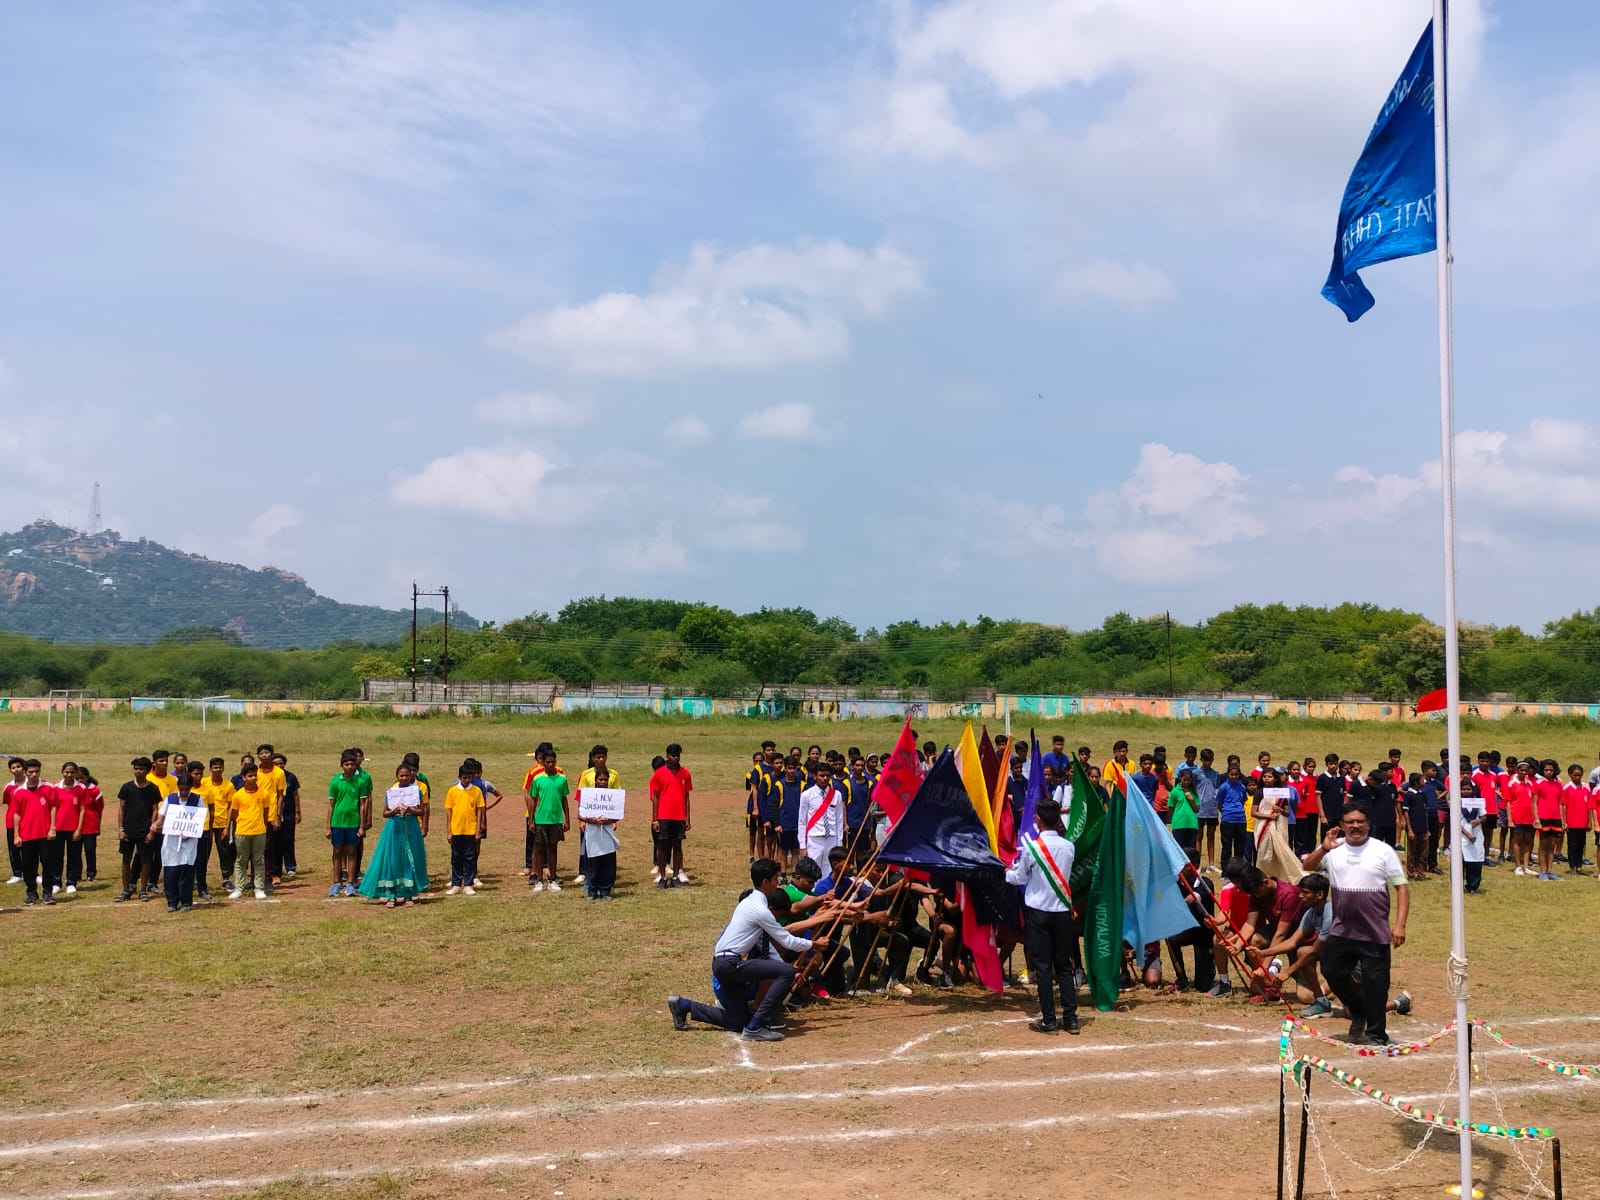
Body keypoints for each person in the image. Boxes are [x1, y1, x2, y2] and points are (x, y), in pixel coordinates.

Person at [666, 858, 830, 1043]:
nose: (778, 884)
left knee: (737, 1021)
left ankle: (683, 1005)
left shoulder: (748, 902)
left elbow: (765, 944)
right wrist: (814, 945)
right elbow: (786, 940)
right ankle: (756, 1026)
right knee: (786, 972)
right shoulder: (760, 909)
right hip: (730, 963)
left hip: (722, 963)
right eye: (776, 880)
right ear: (765, 882)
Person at [1302, 804, 1409, 1047]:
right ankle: (1359, 1011)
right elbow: (1307, 866)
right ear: (1342, 825)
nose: (1355, 826)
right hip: (1342, 930)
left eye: (1360, 821)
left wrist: (1399, 925)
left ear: (1368, 824)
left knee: (1376, 984)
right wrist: (1322, 848)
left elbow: (1401, 887)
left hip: (1374, 932)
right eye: (1349, 822)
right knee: (1331, 970)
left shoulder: (1383, 851)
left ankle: (1376, 1035)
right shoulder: (1333, 850)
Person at [1005, 798, 1080, 1035]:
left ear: (1038, 819)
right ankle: (1070, 1019)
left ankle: (1049, 1019)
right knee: (1065, 967)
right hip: (1061, 914)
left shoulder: (1031, 849)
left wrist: (1005, 872)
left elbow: (1020, 879)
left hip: (1039, 914)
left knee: (1043, 967)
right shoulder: (1069, 847)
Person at [358, 762, 429, 907]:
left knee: (410, 859)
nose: (404, 778)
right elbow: (385, 813)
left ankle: (408, 894)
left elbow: (422, 810)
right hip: (394, 827)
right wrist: (394, 811)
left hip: (411, 826)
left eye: (407, 775)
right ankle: (391, 894)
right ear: (396, 776)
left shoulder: (416, 791)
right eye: (401, 775)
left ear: (411, 776)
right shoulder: (391, 791)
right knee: (393, 858)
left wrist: (410, 810)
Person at [151, 763, 207, 912]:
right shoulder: (171, 799)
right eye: (181, 789)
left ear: (191, 787)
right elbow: (161, 817)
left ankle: (186, 901)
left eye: (186, 789)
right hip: (172, 840)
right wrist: (156, 824)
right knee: (171, 870)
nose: (183, 792)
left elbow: (199, 820)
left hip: (188, 841)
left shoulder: (197, 799)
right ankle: (172, 902)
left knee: (186, 871)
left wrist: (189, 833)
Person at [576, 745, 620, 900]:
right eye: (600, 780)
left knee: (608, 857)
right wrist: (587, 820)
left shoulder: (614, 775)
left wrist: (612, 820)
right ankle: (592, 888)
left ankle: (606, 889)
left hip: (607, 826)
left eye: (605, 780)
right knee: (592, 856)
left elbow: (617, 803)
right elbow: (582, 802)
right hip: (592, 826)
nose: (603, 782)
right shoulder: (586, 775)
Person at [116, 756, 162, 903]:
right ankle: (125, 889)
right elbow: (121, 809)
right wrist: (121, 829)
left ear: (148, 771)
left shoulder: (153, 789)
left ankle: (143, 890)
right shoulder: (127, 787)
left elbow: (155, 809)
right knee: (126, 859)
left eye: (141, 769)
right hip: (128, 829)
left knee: (145, 859)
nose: (138, 771)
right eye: (136, 768)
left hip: (144, 830)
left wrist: (151, 830)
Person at [11, 759, 58, 906]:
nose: (34, 774)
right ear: (25, 773)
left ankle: (47, 893)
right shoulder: (19, 792)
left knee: (48, 864)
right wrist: (16, 834)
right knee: (28, 866)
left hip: (45, 835)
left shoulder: (48, 788)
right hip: (27, 835)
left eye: (36, 771)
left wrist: (52, 828)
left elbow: (53, 808)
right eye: (31, 772)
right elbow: (16, 814)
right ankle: (31, 893)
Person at [526, 747, 571, 892]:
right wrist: (531, 820)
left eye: (553, 762)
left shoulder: (562, 779)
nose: (550, 764)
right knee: (539, 849)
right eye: (547, 762)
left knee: (553, 849)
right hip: (540, 819)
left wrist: (567, 819)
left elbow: (564, 800)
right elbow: (532, 799)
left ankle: (552, 879)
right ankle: (539, 879)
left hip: (555, 819)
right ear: (543, 763)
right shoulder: (538, 779)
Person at [649, 743, 693, 888]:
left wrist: (687, 817)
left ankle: (675, 876)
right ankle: (662, 876)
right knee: (662, 846)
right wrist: (655, 818)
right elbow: (655, 797)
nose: (676, 758)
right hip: (663, 815)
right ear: (667, 756)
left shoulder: (685, 773)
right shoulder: (659, 773)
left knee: (678, 846)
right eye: (673, 755)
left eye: (678, 755)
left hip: (679, 816)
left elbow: (687, 797)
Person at [228, 763, 273, 900]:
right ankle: (238, 888)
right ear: (243, 778)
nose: (253, 778)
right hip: (242, 831)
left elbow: (266, 813)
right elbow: (234, 814)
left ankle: (259, 888)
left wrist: (262, 825)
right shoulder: (238, 795)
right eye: (250, 776)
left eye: (255, 775)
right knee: (241, 860)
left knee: (258, 860)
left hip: (259, 831)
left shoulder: (264, 793)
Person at [327, 751, 367, 898]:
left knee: (352, 852)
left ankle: (350, 882)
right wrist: (328, 826)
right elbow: (331, 805)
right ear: (341, 765)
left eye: (352, 764)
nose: (349, 767)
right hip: (337, 822)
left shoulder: (360, 782)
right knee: (337, 852)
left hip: (353, 823)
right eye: (346, 764)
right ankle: (336, 882)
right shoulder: (335, 781)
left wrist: (362, 826)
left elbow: (362, 805)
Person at [443, 762, 486, 896]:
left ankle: (468, 884)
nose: (466, 780)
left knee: (469, 857)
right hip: (456, 830)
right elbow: (449, 812)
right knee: (456, 857)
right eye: (464, 778)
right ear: (459, 777)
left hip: (470, 830)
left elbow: (479, 810)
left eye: (469, 778)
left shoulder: (476, 791)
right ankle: (456, 883)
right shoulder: (453, 791)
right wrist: (449, 831)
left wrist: (478, 830)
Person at [200, 758, 237, 899]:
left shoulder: (228, 785)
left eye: (220, 767)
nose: (218, 770)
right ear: (210, 769)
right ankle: (199, 879)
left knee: (225, 852)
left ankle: (226, 878)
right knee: (204, 852)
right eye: (215, 767)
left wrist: (228, 826)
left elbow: (230, 807)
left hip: (222, 824)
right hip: (205, 824)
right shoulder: (204, 782)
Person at [798, 760, 842, 869]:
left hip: (831, 837)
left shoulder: (836, 795)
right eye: (821, 776)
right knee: (813, 868)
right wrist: (802, 845)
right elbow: (802, 821)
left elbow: (839, 820)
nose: (825, 778)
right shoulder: (806, 795)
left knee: (831, 867)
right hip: (814, 838)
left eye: (827, 776)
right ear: (815, 776)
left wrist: (839, 843)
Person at [1562, 763, 1592, 876]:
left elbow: (1589, 806)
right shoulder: (1566, 788)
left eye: (1579, 775)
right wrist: (1564, 821)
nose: (1577, 777)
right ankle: (1572, 866)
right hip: (1571, 822)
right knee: (1572, 845)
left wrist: (1589, 821)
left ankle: (1579, 866)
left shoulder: (1586, 788)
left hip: (1583, 822)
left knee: (1581, 845)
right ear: (1570, 775)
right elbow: (1563, 805)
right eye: (1575, 775)